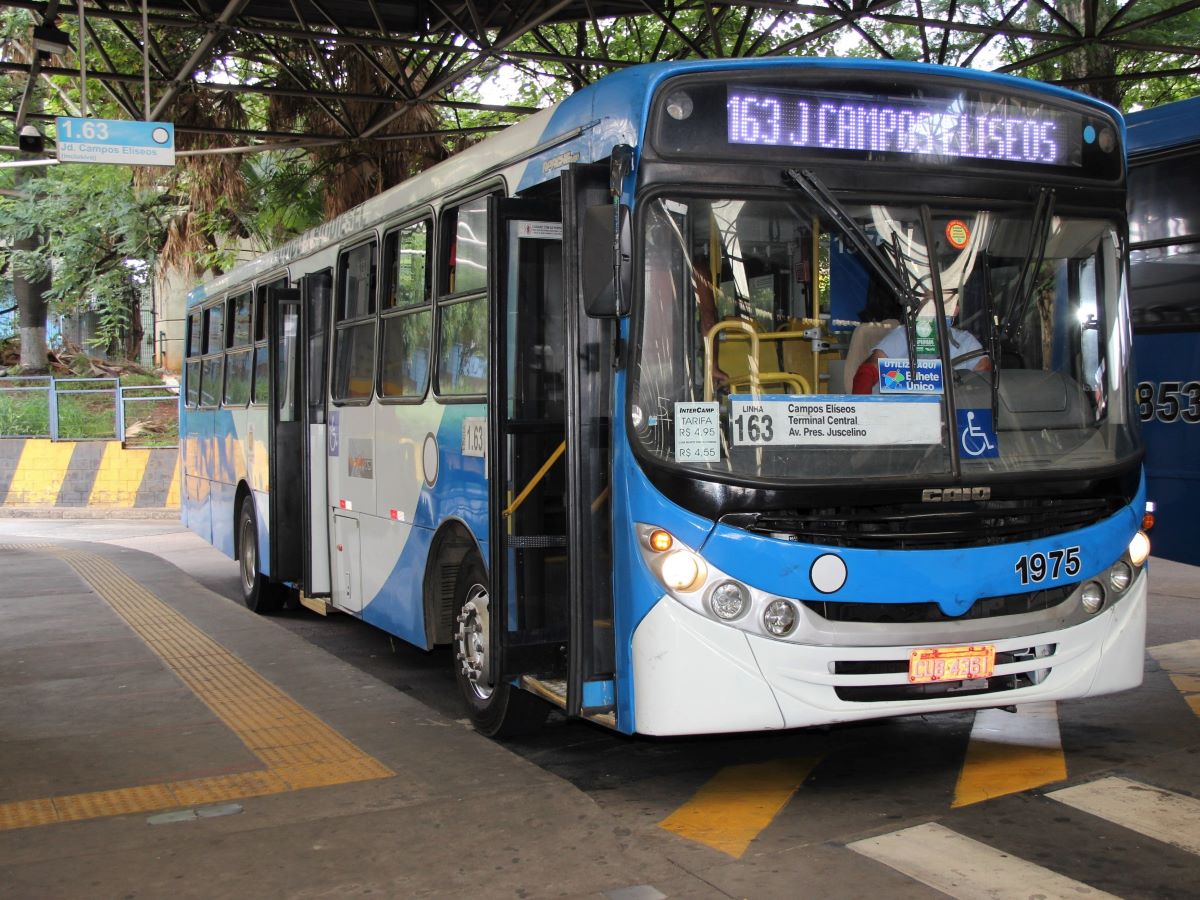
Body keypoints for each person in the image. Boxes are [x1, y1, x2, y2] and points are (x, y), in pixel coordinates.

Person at [852, 315, 992, 393]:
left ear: (955, 309)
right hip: (901, 418)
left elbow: (984, 380)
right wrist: (863, 414)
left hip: (953, 422)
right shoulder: (903, 335)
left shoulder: (966, 342)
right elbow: (868, 371)